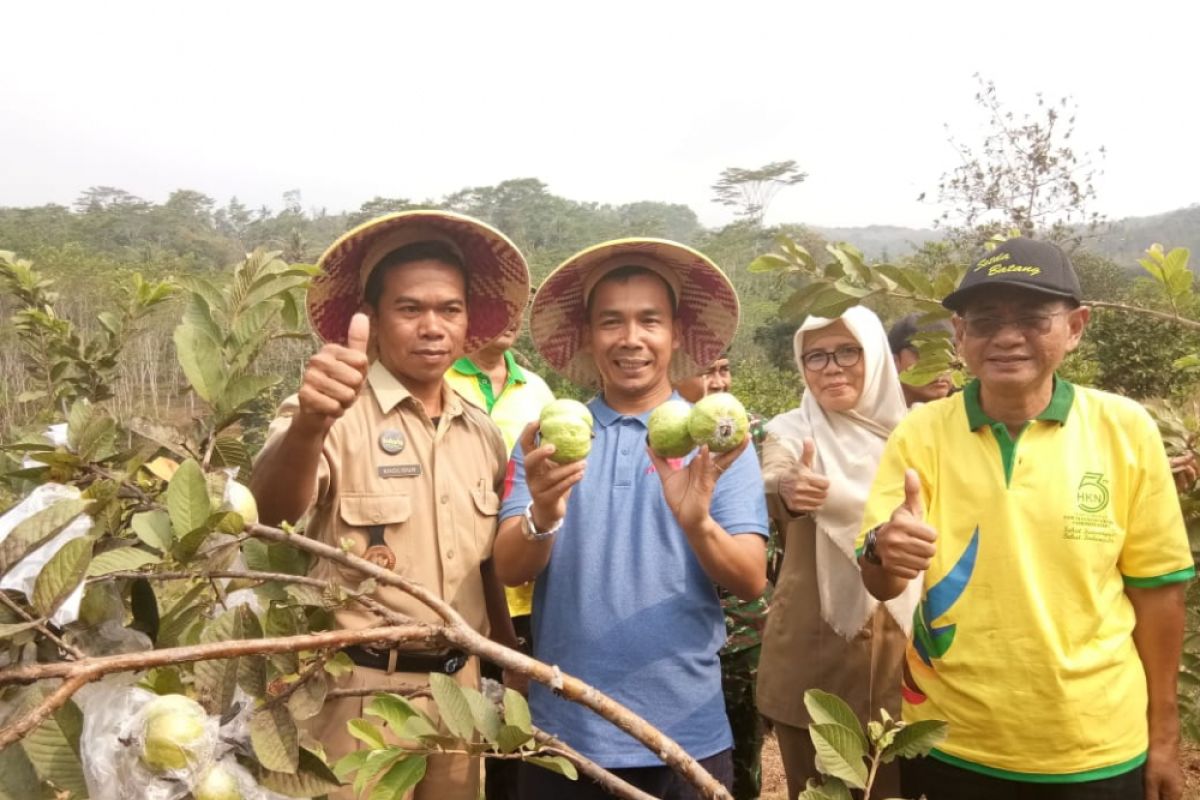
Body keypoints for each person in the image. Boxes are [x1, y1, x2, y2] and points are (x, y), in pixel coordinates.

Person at [857, 237, 1195, 800]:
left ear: (1076, 326)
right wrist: (883, 551)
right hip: (948, 739)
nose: (1008, 337)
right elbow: (880, 577)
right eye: (985, 321)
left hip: (1095, 747)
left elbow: (1158, 591)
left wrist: (1163, 737)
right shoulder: (921, 431)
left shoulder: (1124, 429)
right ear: (961, 336)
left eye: (1034, 318)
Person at [250, 210, 531, 800]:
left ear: (466, 321)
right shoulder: (330, 411)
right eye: (410, 309)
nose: (433, 326)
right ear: (372, 320)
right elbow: (270, 515)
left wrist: (510, 666)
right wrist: (308, 426)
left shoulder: (482, 432)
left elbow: (484, 571)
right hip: (356, 695)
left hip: (460, 697)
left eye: (449, 309)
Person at [493, 239, 769, 799]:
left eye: (650, 320)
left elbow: (749, 577)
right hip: (563, 734)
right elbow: (508, 568)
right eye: (611, 321)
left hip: (685, 732)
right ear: (590, 336)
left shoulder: (715, 441)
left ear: (674, 333)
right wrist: (544, 513)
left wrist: (698, 525)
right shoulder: (551, 438)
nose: (631, 339)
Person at [755, 306, 913, 800]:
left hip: (907, 655)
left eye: (848, 352)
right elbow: (773, 473)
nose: (831, 367)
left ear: (878, 358)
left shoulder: (917, 434)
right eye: (815, 357)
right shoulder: (791, 429)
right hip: (812, 654)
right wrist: (787, 487)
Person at [444, 305, 554, 800]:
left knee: (523, 736)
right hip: (464, 591)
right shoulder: (442, 378)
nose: (508, 317)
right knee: (462, 735)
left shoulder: (536, 389)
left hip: (531, 591)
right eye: (496, 306)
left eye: (517, 308)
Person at [674, 355, 769, 800]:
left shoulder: (747, 433)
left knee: (742, 758)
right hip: (686, 642)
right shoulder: (662, 440)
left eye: (725, 368)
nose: (719, 381)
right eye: (706, 369)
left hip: (744, 630)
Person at [887, 312, 955, 407]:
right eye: (926, 356)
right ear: (894, 362)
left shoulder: (970, 416)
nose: (939, 368)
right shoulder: (873, 417)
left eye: (948, 355)